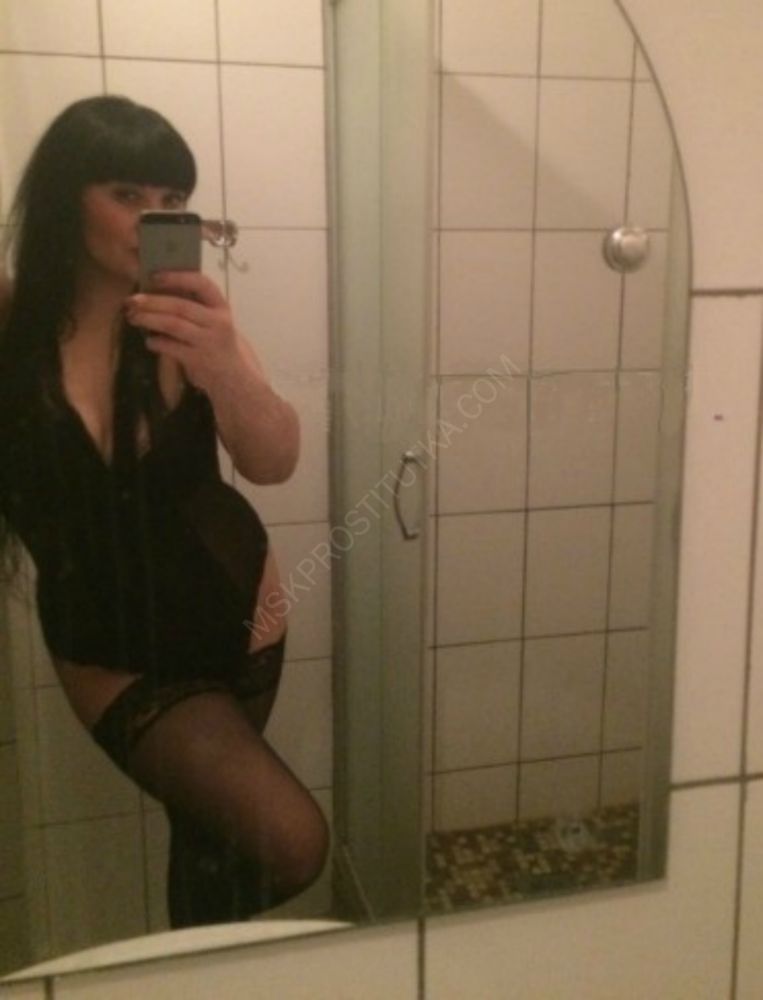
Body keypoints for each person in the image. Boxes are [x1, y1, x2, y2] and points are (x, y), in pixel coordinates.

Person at [0, 95, 329, 927]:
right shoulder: (11, 324)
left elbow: (274, 461)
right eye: (127, 194)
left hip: (240, 616)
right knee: (291, 842)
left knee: (211, 839)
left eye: (172, 200)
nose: (154, 217)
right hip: (109, 646)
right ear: (65, 197)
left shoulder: (191, 328)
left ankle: (197, 973)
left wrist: (223, 364)